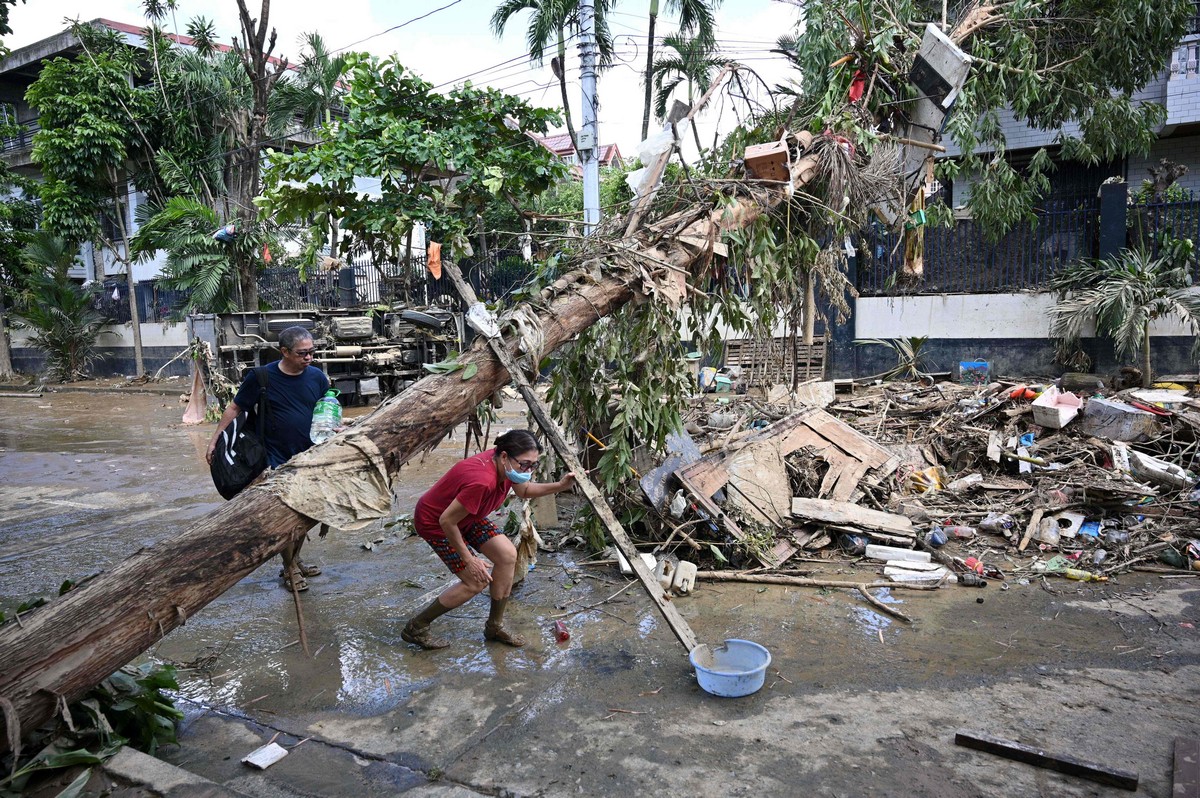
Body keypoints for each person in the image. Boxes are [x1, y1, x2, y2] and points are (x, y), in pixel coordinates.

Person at [403, 430, 575, 650]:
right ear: (504, 456)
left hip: (467, 516)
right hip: (437, 523)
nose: (528, 470)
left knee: (507, 555)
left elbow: (524, 490)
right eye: (525, 464)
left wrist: (560, 486)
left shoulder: (507, 467)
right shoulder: (482, 481)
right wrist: (469, 559)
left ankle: (494, 627)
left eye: (534, 465)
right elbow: (447, 521)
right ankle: (416, 627)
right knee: (476, 581)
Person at [206, 326, 330, 591]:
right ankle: (290, 569)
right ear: (284, 351)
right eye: (302, 354)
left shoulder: (318, 378)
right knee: (285, 515)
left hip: (309, 455)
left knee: (306, 512)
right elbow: (236, 407)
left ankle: (295, 560)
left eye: (311, 353)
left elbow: (325, 411)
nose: (308, 358)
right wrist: (215, 439)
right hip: (274, 457)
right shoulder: (262, 377)